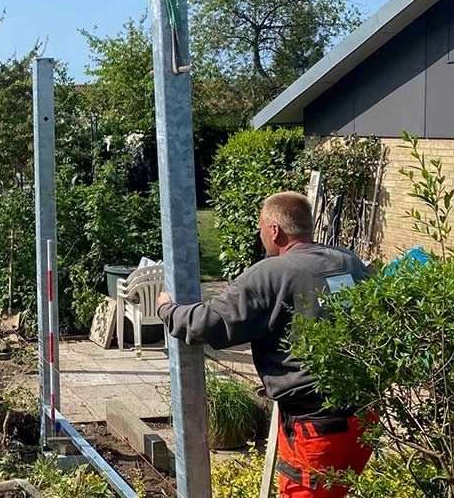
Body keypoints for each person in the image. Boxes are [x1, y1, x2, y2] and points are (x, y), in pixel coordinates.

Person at [154, 191, 374, 498]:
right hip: (364, 419)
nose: (261, 236)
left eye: (261, 228)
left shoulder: (271, 273)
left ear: (275, 230)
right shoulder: (348, 261)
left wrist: (167, 308)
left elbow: (207, 323)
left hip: (316, 427)